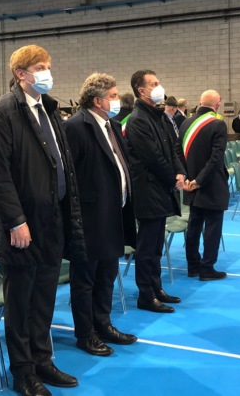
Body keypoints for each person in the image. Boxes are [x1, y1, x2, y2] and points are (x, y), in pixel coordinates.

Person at [0, 44, 84, 396]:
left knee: (44, 298)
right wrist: (14, 220)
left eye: (48, 65)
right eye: (40, 67)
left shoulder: (50, 109)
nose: (46, 72)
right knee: (21, 302)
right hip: (22, 224)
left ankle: (42, 359)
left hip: (52, 218)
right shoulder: (1, 112)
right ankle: (23, 371)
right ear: (20, 73)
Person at [63, 73, 138, 357]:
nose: (117, 100)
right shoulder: (76, 126)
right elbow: (70, 176)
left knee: (108, 273)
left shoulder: (112, 125)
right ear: (97, 100)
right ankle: (85, 333)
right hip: (89, 217)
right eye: (114, 96)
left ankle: (103, 324)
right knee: (85, 280)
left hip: (114, 213)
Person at [124, 69, 185, 314]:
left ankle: (157, 288)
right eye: (154, 83)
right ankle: (146, 295)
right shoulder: (138, 119)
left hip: (161, 188)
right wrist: (172, 178)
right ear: (141, 90)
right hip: (148, 189)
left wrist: (180, 172)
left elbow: (172, 149)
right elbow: (153, 157)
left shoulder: (158, 116)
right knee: (147, 248)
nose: (159, 87)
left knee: (157, 245)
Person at [181, 90, 229, 281]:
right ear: (217, 104)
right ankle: (207, 268)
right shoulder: (218, 124)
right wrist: (199, 181)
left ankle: (193, 266)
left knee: (193, 226)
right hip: (210, 184)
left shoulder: (186, 123)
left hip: (190, 184)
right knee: (212, 228)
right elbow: (216, 158)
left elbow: (177, 153)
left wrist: (187, 178)